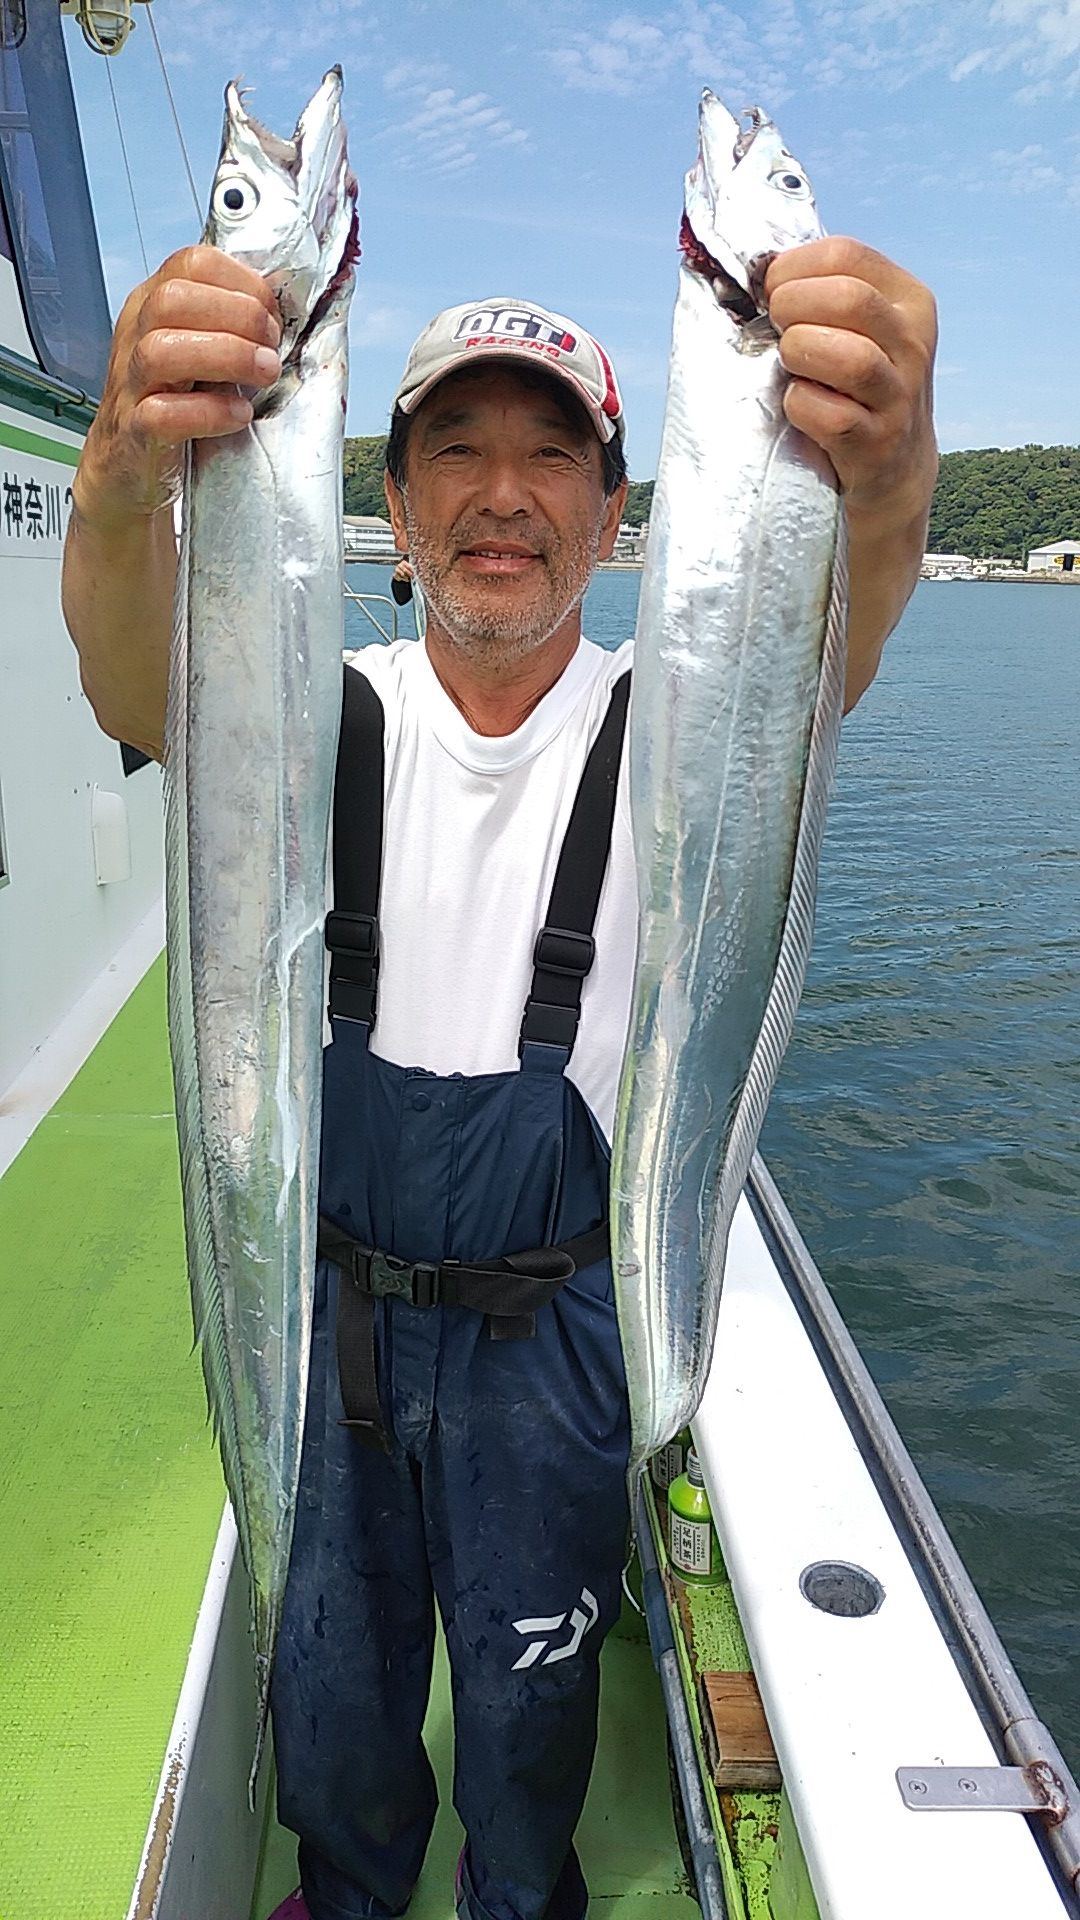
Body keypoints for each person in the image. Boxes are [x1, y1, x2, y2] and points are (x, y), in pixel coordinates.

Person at [62, 250, 938, 1920]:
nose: (503, 495)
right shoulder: (306, 706)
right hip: (329, 1313)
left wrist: (891, 479)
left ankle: (516, 1897)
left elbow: (847, 623)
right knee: (331, 1689)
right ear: (391, 507)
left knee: (534, 1704)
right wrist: (115, 474)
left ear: (615, 515)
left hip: (555, 1327)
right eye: (454, 450)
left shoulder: (688, 723)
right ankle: (350, 1886)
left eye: (551, 456)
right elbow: (121, 677)